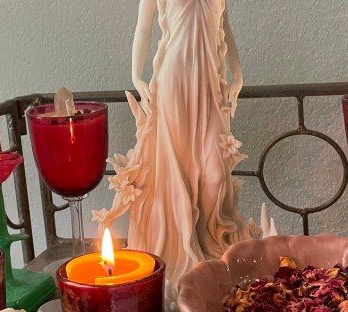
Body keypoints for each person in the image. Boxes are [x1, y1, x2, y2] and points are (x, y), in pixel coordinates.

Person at [93, 0, 257, 302]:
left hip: (209, 86)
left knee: (214, 176)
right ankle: (182, 261)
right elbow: (143, 27)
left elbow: (224, 26)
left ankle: (212, 253)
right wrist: (136, 75)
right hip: (173, 84)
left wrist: (238, 72)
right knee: (172, 171)